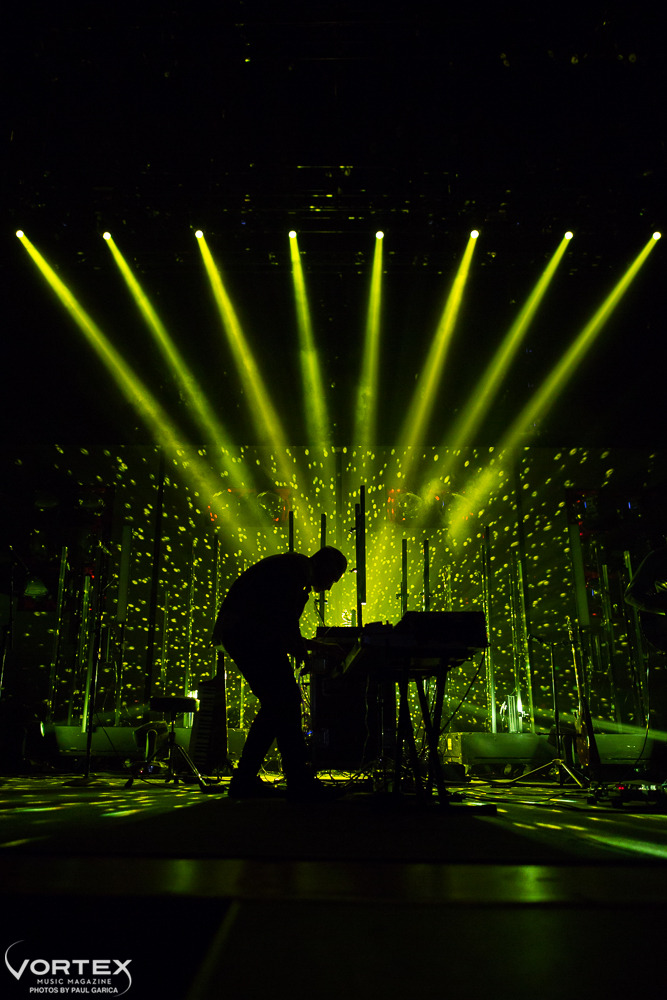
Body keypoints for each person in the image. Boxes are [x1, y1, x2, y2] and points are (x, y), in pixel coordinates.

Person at [212, 545, 347, 801]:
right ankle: (289, 779)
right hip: (247, 637)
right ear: (325, 567)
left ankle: (260, 778)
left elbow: (273, 623)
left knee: (279, 704)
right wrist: (303, 651)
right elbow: (281, 621)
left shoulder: (293, 568)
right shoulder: (295, 572)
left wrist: (310, 646)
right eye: (332, 579)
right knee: (283, 702)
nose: (328, 587)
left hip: (244, 635)